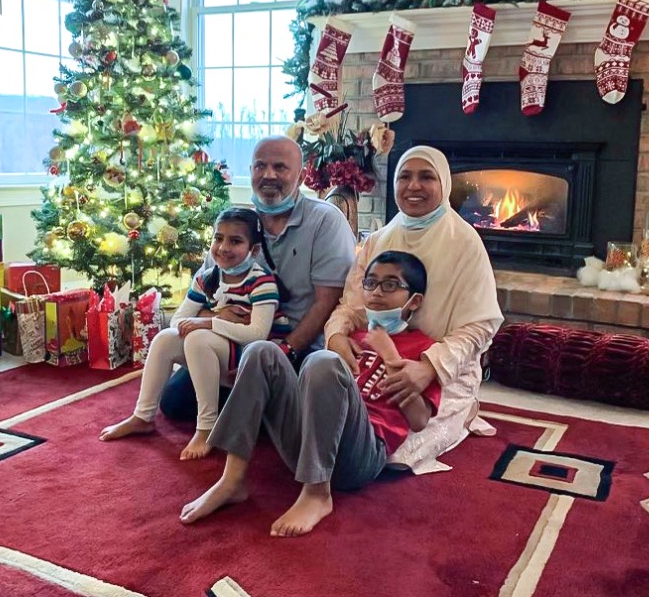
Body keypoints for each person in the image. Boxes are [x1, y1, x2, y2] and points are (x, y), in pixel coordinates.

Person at [179, 250, 440, 536]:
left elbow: (419, 420)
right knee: (261, 351)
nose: (377, 292)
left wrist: (390, 356)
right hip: (309, 445)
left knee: (322, 361)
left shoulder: (424, 348)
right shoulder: (349, 337)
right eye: (371, 283)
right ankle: (232, 480)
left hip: (360, 456)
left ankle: (317, 493)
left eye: (390, 285)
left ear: (414, 300)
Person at [325, 145, 504, 474]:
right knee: (338, 430)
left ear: (444, 184)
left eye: (426, 177)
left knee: (394, 454)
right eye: (404, 176)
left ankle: (464, 409)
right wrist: (336, 335)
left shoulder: (465, 243)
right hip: (377, 359)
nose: (414, 186)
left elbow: (481, 326)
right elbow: (350, 305)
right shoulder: (379, 239)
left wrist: (429, 368)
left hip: (442, 373)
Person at [158, 135, 357, 420]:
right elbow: (207, 287)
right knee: (174, 403)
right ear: (250, 171)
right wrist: (220, 317)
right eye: (260, 166)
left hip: (297, 347)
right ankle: (256, 408)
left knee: (285, 404)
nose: (269, 175)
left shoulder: (325, 221)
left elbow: (327, 303)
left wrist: (285, 349)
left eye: (280, 167)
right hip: (236, 342)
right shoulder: (238, 223)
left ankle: (262, 408)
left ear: (300, 176)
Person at [99, 207, 290, 460]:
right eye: (218, 238)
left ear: (253, 250)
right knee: (165, 339)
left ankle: (207, 427)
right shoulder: (207, 278)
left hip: (252, 358)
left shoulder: (261, 282)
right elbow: (177, 321)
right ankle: (143, 416)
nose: (223, 247)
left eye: (235, 241)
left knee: (198, 338)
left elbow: (256, 334)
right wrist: (215, 318)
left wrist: (207, 325)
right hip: (221, 348)